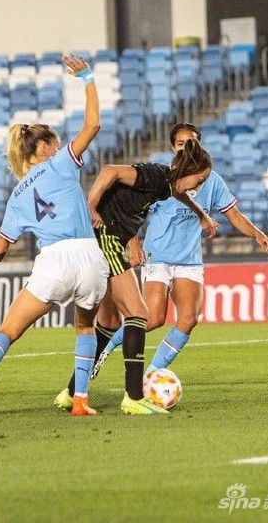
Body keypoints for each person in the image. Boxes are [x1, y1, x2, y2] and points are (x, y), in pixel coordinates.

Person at [0, 54, 107, 419]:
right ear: (43, 149)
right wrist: (87, 78)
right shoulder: (61, 163)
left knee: (8, 330)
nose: (58, 148)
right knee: (85, 327)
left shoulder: (16, 197)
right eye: (54, 143)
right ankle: (81, 400)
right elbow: (93, 124)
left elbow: (1, 249)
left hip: (54, 261)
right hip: (90, 256)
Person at [91, 122, 268, 378]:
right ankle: (106, 348)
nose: (186, 147)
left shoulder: (212, 179)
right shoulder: (161, 178)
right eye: (181, 143)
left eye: (192, 142)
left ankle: (152, 375)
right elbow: (131, 209)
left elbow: (232, 213)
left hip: (189, 259)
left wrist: (257, 233)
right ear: (172, 148)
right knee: (153, 318)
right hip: (158, 255)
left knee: (189, 319)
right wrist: (132, 243)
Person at [54, 137, 219, 415]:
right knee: (138, 313)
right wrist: (91, 206)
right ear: (188, 172)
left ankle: (71, 393)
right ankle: (133, 397)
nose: (199, 186)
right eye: (199, 180)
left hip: (108, 238)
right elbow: (110, 171)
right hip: (106, 235)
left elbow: (179, 194)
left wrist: (201, 214)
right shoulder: (154, 176)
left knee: (108, 321)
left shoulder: (168, 184)